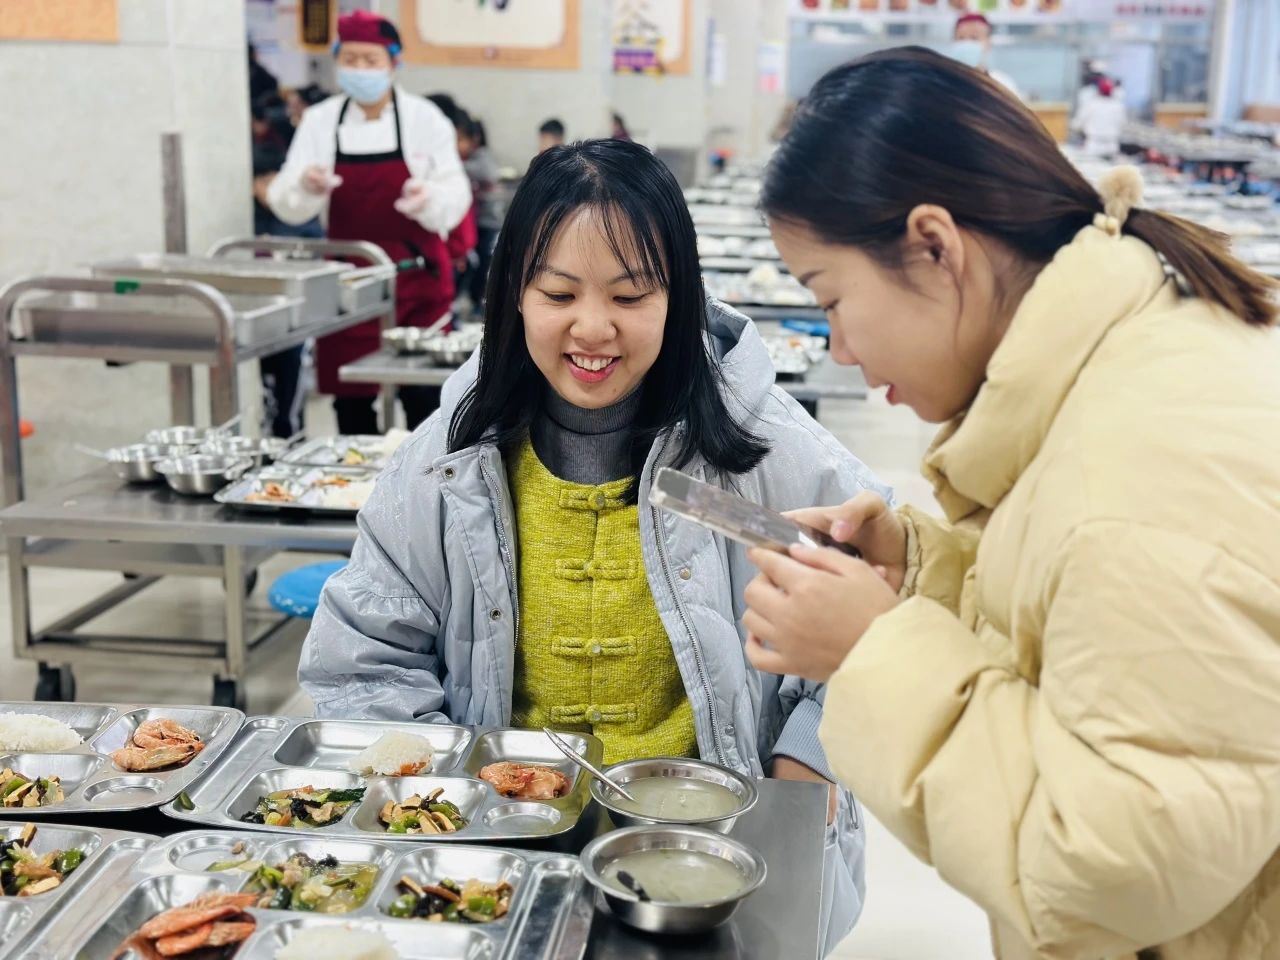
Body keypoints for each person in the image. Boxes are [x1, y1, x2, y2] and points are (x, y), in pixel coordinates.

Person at [745, 48, 1280, 960]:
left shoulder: (1143, 463)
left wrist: (875, 653)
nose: (835, 348)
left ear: (935, 245)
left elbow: (1104, 870)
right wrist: (921, 574)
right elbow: (1095, 629)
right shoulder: (1130, 368)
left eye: (830, 299)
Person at [300, 139, 894, 955]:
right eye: (558, 292)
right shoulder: (450, 462)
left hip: (719, 860)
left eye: (629, 294)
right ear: (513, 294)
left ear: (677, 297)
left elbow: (875, 616)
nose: (592, 328)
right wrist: (442, 801)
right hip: (504, 857)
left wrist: (805, 771)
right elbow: (362, 657)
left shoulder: (752, 459)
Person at [266, 10, 471, 434]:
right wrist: (307, 186)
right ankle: (356, 494)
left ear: (394, 63)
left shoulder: (424, 119)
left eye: (371, 60)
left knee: (424, 404)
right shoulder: (320, 121)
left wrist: (427, 198)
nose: (360, 69)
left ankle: (424, 490)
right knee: (351, 403)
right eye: (351, 59)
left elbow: (456, 196)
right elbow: (285, 202)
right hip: (349, 286)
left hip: (417, 278)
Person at [457, 115, 502, 311]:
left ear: (475, 138)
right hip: (476, 222)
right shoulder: (469, 158)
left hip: (487, 221)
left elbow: (488, 174)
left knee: (483, 263)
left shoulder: (482, 157)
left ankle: (481, 302)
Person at [949, 13, 1020, 98]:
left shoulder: (1003, 84)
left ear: (988, 43)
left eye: (974, 38)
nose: (966, 43)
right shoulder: (942, 84)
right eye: (961, 38)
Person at [1072, 76, 1127, 158]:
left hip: (1094, 145)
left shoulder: (1091, 104)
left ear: (1099, 90)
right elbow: (1123, 125)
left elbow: (1076, 124)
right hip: (1112, 146)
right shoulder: (1119, 106)